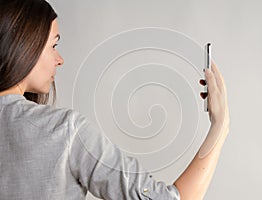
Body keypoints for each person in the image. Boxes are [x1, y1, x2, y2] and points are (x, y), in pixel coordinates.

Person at [0, 0, 230, 199]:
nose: (59, 60)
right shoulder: (63, 131)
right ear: (24, 44)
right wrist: (220, 127)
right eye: (53, 45)